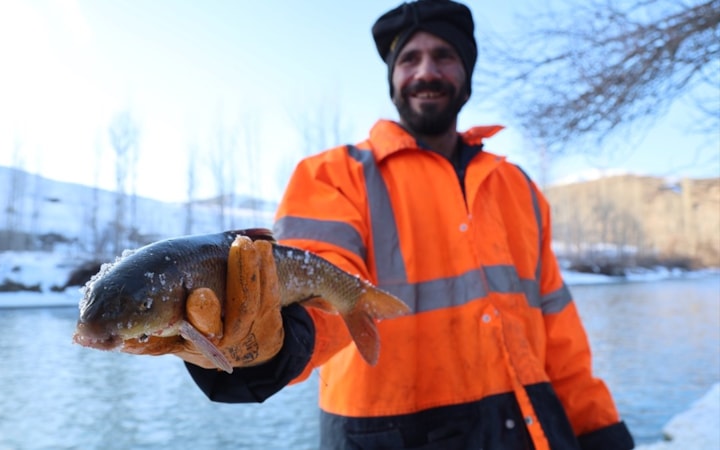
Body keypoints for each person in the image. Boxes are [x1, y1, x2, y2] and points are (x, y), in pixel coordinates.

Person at [132, 1, 636, 448]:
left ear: (466, 73)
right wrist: (275, 345)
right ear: (393, 78)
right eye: (409, 59)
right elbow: (322, 277)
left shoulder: (518, 185)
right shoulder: (333, 174)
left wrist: (601, 429)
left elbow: (560, 331)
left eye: (444, 56)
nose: (426, 71)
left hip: (535, 427)